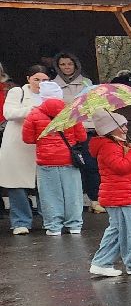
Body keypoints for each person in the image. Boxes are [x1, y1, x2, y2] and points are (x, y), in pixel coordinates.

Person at [87, 110, 131, 276]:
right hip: (120, 195)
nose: (125, 128)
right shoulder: (108, 147)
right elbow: (121, 167)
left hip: (123, 194)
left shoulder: (116, 145)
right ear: (109, 129)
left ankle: (102, 262)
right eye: (121, 125)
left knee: (118, 230)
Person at [22, 81, 85, 236]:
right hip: (68, 159)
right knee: (73, 193)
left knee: (49, 195)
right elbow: (82, 136)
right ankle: (75, 225)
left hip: (46, 160)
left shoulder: (34, 114)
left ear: (42, 97)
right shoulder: (71, 112)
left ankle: (54, 227)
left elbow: (28, 139)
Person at [0, 66, 48, 234]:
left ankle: (49, 220)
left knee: (45, 185)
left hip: (42, 144)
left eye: (45, 80)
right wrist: (33, 110)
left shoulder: (51, 95)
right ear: (29, 78)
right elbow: (8, 113)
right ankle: (21, 221)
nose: (41, 83)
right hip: (17, 146)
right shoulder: (16, 93)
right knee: (16, 185)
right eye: (37, 79)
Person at [54, 50, 103, 213]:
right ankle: (71, 204)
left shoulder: (87, 83)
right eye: (62, 64)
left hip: (86, 128)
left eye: (69, 63)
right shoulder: (53, 85)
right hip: (65, 131)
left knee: (91, 166)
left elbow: (94, 106)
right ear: (57, 66)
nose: (66, 67)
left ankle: (95, 200)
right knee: (69, 168)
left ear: (75, 65)